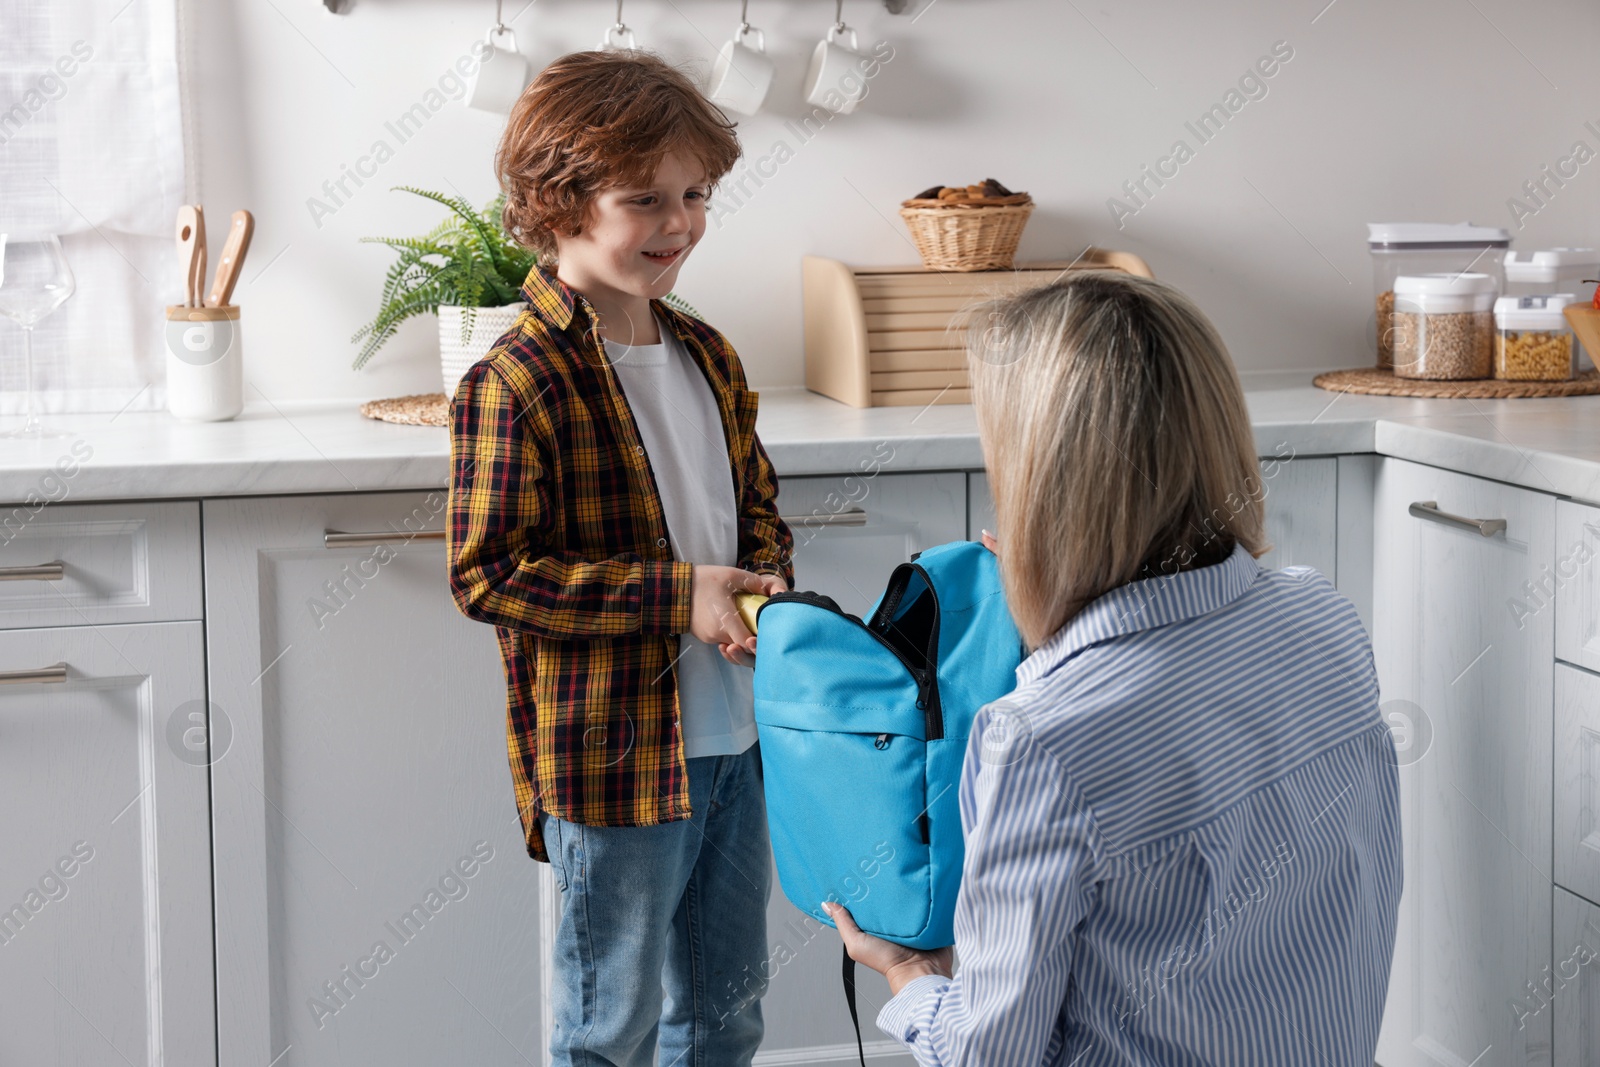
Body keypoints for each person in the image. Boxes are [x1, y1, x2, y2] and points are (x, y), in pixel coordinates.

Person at [825, 270, 1402, 1066]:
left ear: (1042, 494)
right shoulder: (1323, 618)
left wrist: (914, 980)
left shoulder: (1039, 739)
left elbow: (989, 1056)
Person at [446, 49, 794, 1067]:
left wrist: (760, 586)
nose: (679, 223)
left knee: (726, 1019)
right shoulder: (515, 379)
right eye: (645, 198)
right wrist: (675, 594)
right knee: (609, 1029)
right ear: (556, 205)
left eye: (695, 195)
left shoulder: (706, 352)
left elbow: (755, 505)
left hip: (736, 741)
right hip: (616, 756)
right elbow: (488, 573)